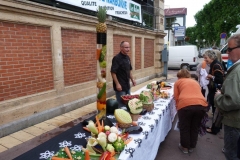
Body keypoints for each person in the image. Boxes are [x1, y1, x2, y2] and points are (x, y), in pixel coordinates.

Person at [214, 33, 240, 160]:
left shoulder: (236, 71)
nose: (228, 53)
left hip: (235, 122)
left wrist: (218, 96)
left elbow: (232, 101)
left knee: (231, 154)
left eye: (230, 49)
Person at [174, 69, 208, 154]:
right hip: (201, 105)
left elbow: (176, 97)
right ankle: (192, 146)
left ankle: (184, 147)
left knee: (185, 126)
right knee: (195, 126)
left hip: (185, 105)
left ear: (179, 77)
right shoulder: (195, 82)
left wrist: (178, 108)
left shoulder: (178, 82)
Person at [202, 50, 224, 135]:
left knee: (215, 110)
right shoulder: (215, 64)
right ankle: (216, 127)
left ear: (211, 57)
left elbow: (220, 79)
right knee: (215, 110)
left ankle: (214, 129)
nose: (205, 60)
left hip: (215, 90)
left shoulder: (216, 65)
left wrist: (211, 76)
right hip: (214, 89)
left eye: (206, 58)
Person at [111, 41, 136, 108]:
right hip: (120, 87)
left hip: (127, 85)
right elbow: (113, 72)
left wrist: (132, 79)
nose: (128, 49)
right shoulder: (116, 58)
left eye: (129, 47)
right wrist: (117, 84)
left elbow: (129, 70)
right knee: (121, 106)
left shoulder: (127, 58)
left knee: (129, 103)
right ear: (121, 48)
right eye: (126, 47)